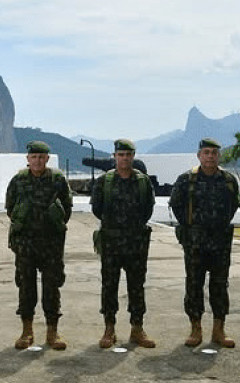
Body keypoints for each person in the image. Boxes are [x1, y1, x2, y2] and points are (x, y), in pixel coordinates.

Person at [169, 138, 240, 348]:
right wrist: (191, 227)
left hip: (220, 243)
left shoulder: (228, 180)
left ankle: (219, 330)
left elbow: (233, 206)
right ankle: (195, 328)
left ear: (219, 156)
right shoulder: (186, 180)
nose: (210, 156)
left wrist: (219, 224)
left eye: (214, 153)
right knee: (194, 285)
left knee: (219, 285)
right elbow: (176, 205)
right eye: (206, 152)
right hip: (195, 243)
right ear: (199, 155)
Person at [5, 141, 73, 350]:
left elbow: (67, 207)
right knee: (26, 287)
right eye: (33, 157)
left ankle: (52, 332)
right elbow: (10, 207)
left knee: (52, 287)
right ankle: (27, 331)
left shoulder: (58, 179)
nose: (37, 161)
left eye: (41, 157)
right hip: (25, 243)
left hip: (51, 244)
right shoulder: (18, 180)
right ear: (28, 159)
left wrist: (52, 226)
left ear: (47, 159)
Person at [90, 139, 156, 348]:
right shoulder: (104, 182)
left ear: (133, 156)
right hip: (111, 244)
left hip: (136, 244)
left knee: (137, 287)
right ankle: (109, 328)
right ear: (114, 156)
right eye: (121, 155)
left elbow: (148, 210)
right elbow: (97, 210)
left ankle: (137, 328)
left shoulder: (143, 182)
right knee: (109, 286)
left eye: (128, 155)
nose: (124, 158)